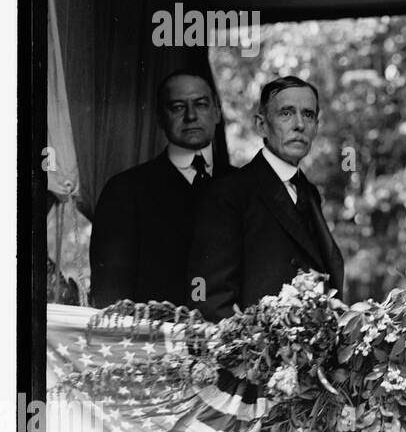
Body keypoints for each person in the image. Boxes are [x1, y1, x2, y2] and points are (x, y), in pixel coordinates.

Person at [189, 76, 345, 320]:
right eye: (286, 113)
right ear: (261, 125)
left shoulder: (309, 192)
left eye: (308, 115)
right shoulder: (229, 193)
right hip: (256, 354)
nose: (299, 124)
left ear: (316, 126)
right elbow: (212, 300)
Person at [90, 68, 227, 307]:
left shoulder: (246, 187)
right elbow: (110, 294)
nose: (191, 116)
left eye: (201, 104)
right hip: (154, 338)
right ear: (159, 118)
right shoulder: (125, 190)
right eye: (177, 107)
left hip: (234, 340)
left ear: (217, 112)